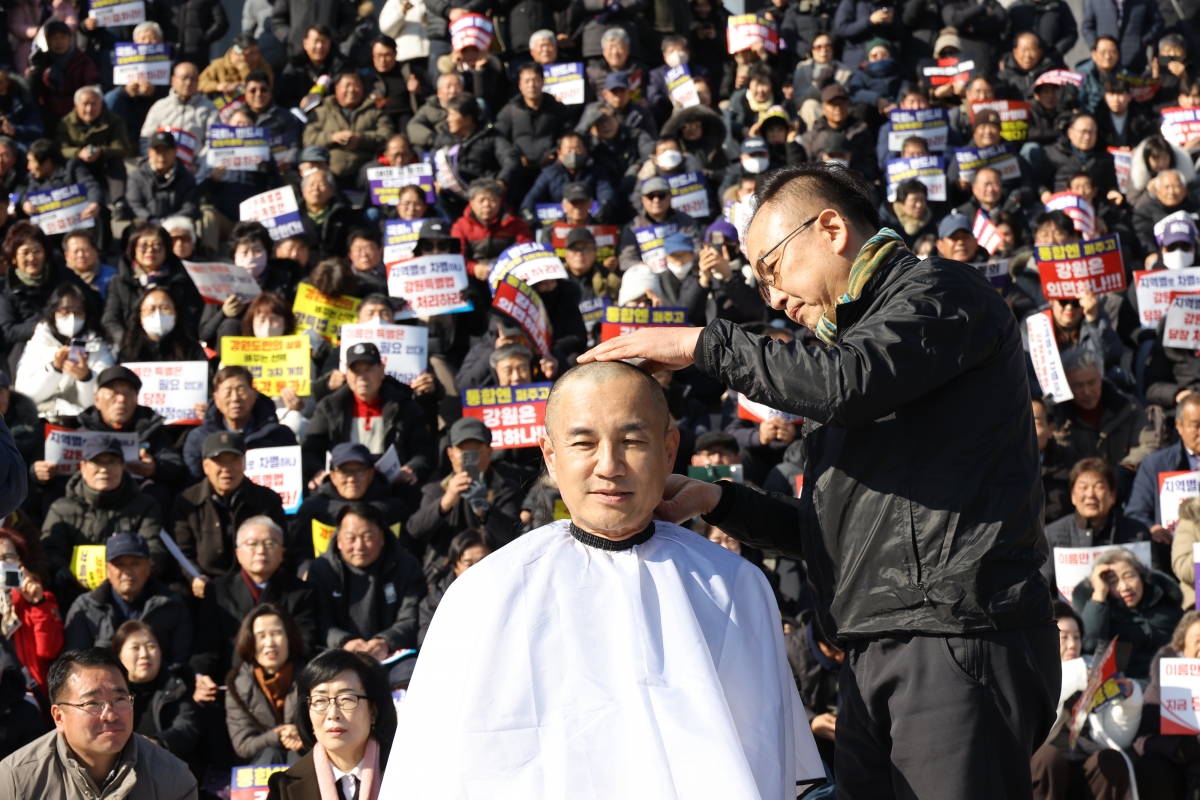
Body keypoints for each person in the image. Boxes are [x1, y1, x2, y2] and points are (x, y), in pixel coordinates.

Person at [581, 162, 1059, 798]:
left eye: (773, 268)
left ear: (831, 229)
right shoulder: (847, 363)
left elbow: (846, 381)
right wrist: (719, 501)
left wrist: (702, 345)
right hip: (874, 647)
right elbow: (832, 536)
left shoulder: (942, 292)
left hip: (956, 636)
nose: (773, 298)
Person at [384, 361, 824, 794]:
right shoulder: (484, 593)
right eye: (583, 443)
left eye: (632, 441)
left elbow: (766, 756)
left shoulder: (733, 586)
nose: (609, 465)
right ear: (550, 456)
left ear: (669, 450)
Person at [0, 648, 198, 800]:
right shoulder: (15, 779)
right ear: (59, 717)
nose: (110, 715)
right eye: (92, 703)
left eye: (120, 700)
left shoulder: (174, 778)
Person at [190, 517, 316, 701]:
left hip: (285, 689)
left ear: (282, 552)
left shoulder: (301, 592)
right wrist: (200, 676)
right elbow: (207, 644)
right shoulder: (218, 591)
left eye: (270, 544)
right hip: (232, 689)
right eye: (252, 544)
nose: (261, 551)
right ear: (239, 553)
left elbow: (305, 643)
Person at [1031, 602, 1141, 800]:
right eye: (1064, 637)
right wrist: (1079, 675)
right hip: (1048, 769)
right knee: (1047, 757)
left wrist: (1127, 700)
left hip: (1089, 767)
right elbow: (1031, 732)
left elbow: (1119, 739)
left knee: (1112, 761)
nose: (1072, 644)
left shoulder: (1095, 669)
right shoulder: (1032, 673)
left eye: (1077, 637)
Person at [42, 437, 166, 604]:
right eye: (96, 462)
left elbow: (154, 549)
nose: (104, 469)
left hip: (131, 591)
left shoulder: (145, 506)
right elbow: (50, 550)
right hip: (73, 594)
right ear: (82, 467)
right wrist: (59, 569)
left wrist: (133, 575)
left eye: (112, 462)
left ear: (122, 466)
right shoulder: (61, 509)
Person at [303, 341, 435, 489]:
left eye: (368, 369)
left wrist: (412, 469)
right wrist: (318, 471)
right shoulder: (330, 407)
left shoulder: (405, 406)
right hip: (344, 486)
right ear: (347, 374)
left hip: (392, 487)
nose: (362, 376)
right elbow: (311, 449)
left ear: (382, 371)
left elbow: (423, 450)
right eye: (356, 371)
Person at [265, 649, 395, 800]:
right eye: (320, 700)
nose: (333, 714)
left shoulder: (407, 775)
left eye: (346, 699)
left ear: (373, 711)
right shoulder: (284, 789)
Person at [172, 432, 288, 598]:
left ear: (244, 463)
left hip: (255, 586)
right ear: (205, 466)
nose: (227, 468)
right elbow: (182, 552)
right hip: (205, 589)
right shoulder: (187, 501)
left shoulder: (267, 500)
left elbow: (282, 547)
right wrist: (195, 577)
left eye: (234, 460)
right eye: (219, 461)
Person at [406, 417, 522, 581]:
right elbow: (415, 530)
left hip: (495, 574)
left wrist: (484, 509)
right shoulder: (434, 491)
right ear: (450, 454)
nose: (471, 459)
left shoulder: (506, 490)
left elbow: (514, 535)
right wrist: (446, 502)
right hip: (444, 576)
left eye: (476, 452)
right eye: (464, 453)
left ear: (489, 453)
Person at [308, 502, 425, 657]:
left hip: (392, 655)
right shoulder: (321, 569)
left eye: (367, 537)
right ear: (338, 540)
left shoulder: (406, 566)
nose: (359, 546)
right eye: (351, 538)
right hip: (336, 657)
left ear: (381, 537)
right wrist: (344, 642)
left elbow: (412, 616)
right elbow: (319, 619)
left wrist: (386, 641)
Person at [61, 533, 192, 668]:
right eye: (120, 564)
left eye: (135, 564)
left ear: (148, 567)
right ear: (107, 569)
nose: (127, 571)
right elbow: (75, 664)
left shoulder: (172, 605)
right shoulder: (85, 608)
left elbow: (180, 662)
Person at [1040, 458, 1151, 591]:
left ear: (1113, 495)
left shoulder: (1137, 532)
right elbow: (1043, 589)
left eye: (1099, 487)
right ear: (1073, 496)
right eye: (1083, 487)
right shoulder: (1052, 534)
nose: (1090, 494)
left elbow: (1152, 584)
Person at [1071, 547, 1182, 679]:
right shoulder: (1101, 610)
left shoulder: (1166, 602)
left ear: (1141, 575)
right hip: (1124, 684)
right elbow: (1091, 645)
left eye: (1129, 576)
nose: (1124, 587)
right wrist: (1099, 594)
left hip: (1173, 681)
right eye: (1113, 582)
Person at [290, 443, 411, 563]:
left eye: (359, 471)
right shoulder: (313, 508)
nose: (352, 479)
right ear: (332, 476)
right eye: (344, 472)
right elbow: (299, 551)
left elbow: (405, 552)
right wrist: (306, 570)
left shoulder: (394, 509)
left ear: (371, 474)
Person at [182, 366, 298, 485]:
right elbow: (193, 486)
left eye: (241, 390)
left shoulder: (281, 435)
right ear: (216, 399)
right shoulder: (198, 438)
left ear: (254, 394)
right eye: (227, 392)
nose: (235, 398)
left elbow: (293, 481)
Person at [13, 283, 114, 419]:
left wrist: (86, 378)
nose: (72, 319)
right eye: (64, 312)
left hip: (82, 422)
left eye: (78, 313)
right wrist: (55, 369)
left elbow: (101, 403)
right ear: (53, 313)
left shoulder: (97, 345)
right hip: (41, 418)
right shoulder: (39, 342)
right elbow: (25, 395)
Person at [224, 604, 307, 765]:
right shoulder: (237, 686)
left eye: (276, 634)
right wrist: (278, 735)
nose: (269, 643)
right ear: (250, 641)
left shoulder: (314, 677)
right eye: (261, 636)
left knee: (297, 757)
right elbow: (243, 745)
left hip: (306, 754)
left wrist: (302, 734)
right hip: (262, 763)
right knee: (271, 754)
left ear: (289, 637)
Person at [0, 221, 91, 363]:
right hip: (29, 346)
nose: (32, 258)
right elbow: (8, 331)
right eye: (25, 253)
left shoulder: (61, 273)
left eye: (37, 251)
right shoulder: (6, 288)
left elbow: (91, 299)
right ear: (13, 257)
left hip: (69, 337)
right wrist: (48, 325)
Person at [102, 222, 204, 344]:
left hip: (175, 346)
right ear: (133, 249)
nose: (150, 250)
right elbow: (111, 320)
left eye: (157, 246)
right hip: (130, 346)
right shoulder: (119, 282)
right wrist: (128, 343)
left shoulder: (182, 280)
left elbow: (191, 318)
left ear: (167, 249)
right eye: (143, 246)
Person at [110, 620, 199, 758]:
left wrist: (156, 743)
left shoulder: (175, 685)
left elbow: (188, 727)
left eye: (151, 646)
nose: (144, 654)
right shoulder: (108, 692)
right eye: (135, 648)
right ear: (118, 655)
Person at [303, 71, 395, 188]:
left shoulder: (375, 112)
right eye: (346, 86)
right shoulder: (321, 112)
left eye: (356, 85)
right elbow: (308, 139)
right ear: (336, 88)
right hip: (330, 168)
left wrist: (360, 139)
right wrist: (332, 137)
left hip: (363, 167)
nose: (351, 90)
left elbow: (388, 136)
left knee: (375, 170)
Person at [0, 527, 63, 692]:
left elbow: (50, 650)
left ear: (20, 563)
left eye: (8, 556)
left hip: (30, 693)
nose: (2, 563)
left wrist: (38, 604)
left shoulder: (41, 598)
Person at [55, 85, 131, 201]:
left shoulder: (115, 121)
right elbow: (60, 148)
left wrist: (100, 152)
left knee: (116, 163)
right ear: (76, 105)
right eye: (85, 104)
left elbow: (121, 148)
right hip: (78, 166)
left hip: (103, 165)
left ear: (101, 104)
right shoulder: (66, 123)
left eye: (94, 104)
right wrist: (79, 153)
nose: (89, 109)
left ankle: (119, 201)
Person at [416, 528, 489, 646]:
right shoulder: (435, 600)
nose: (476, 569)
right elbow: (427, 643)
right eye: (468, 564)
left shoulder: (510, 593)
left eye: (483, 560)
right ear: (456, 567)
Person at [450, 178, 533, 280]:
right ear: (471, 202)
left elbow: (526, 250)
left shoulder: (516, 223)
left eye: (492, 200)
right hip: (474, 277)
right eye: (481, 200)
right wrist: (473, 268)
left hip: (509, 275)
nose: (487, 205)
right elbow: (455, 256)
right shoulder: (460, 226)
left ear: (500, 200)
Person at [138, 62, 219, 162]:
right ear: (173, 80)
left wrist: (198, 166)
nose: (188, 83)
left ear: (198, 82)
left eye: (193, 79)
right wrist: (155, 163)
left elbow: (213, 142)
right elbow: (146, 138)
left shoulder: (210, 108)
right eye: (184, 78)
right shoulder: (159, 106)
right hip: (162, 164)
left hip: (195, 166)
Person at [125, 131, 201, 223]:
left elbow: (191, 208)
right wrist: (151, 219)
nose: (161, 156)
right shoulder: (136, 177)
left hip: (176, 225)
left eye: (166, 150)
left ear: (175, 151)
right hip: (146, 225)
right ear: (149, 152)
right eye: (158, 151)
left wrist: (168, 222)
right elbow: (134, 205)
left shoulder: (187, 179)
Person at [198, 33, 273, 95]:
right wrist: (218, 86)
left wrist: (244, 69)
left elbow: (260, 87)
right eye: (250, 54)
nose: (255, 58)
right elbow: (199, 83)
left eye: (257, 52)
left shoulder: (263, 66)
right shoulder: (219, 65)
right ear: (236, 54)